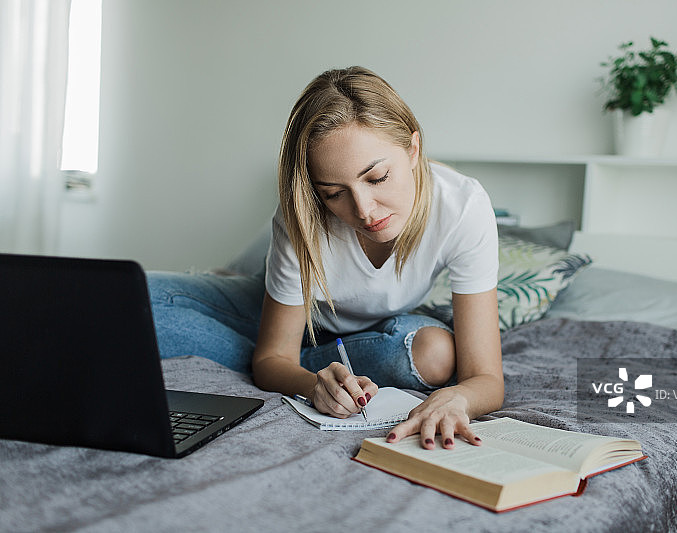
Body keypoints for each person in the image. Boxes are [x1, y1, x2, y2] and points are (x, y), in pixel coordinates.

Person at [149, 66, 503, 449]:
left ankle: (261, 346)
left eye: (378, 178)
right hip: (290, 314)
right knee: (130, 301)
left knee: (434, 354)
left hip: (381, 332)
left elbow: (485, 377)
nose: (364, 210)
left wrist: (459, 397)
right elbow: (273, 357)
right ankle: (278, 335)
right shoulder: (301, 215)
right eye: (334, 193)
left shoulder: (463, 206)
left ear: (413, 150)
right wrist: (312, 382)